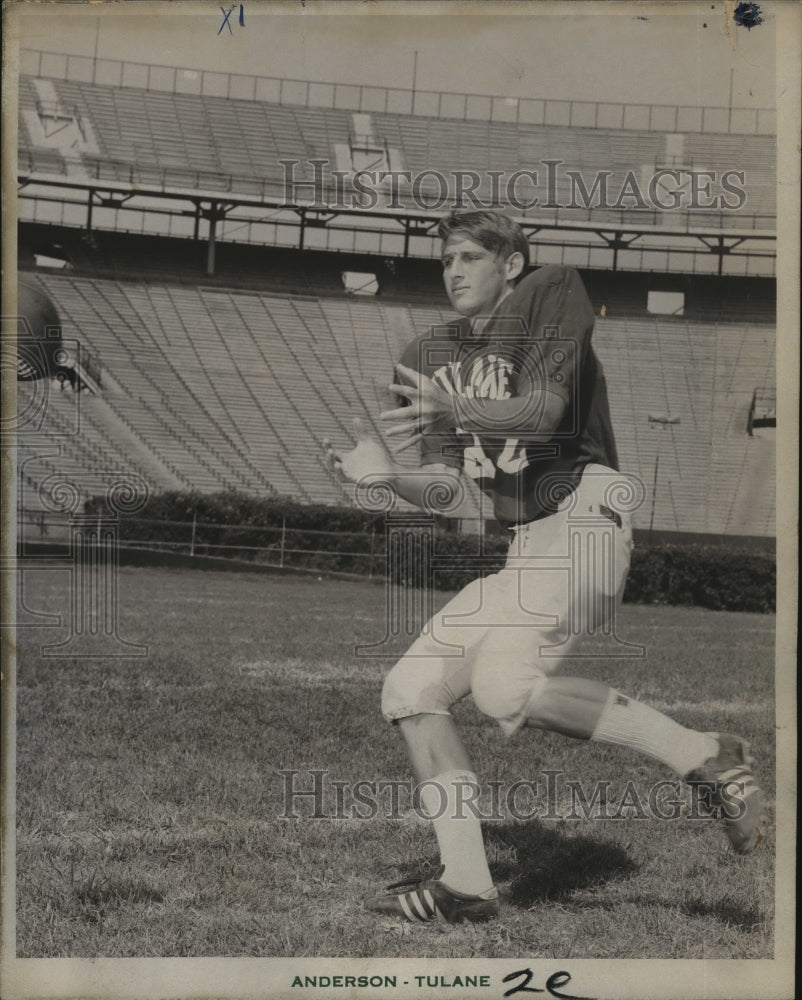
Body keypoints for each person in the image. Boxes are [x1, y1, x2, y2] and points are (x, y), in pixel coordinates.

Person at [324, 209, 763, 925]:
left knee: (502, 687)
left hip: (586, 510)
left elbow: (544, 411)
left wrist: (459, 405)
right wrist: (379, 479)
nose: (455, 271)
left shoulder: (550, 292)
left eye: (470, 257)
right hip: (527, 546)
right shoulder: (430, 351)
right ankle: (467, 883)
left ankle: (707, 755)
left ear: (513, 265)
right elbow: (442, 488)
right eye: (446, 261)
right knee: (409, 690)